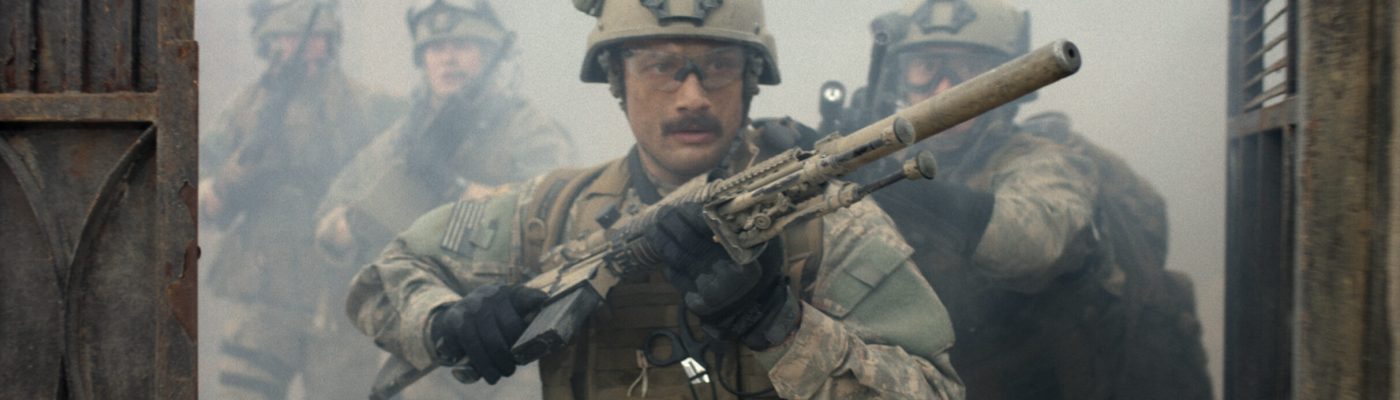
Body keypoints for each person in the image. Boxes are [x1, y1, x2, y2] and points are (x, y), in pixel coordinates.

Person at [344, 0, 967, 399]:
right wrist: (446, 323)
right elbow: (383, 279)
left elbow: (935, 391)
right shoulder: (550, 212)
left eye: (717, 67)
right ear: (617, 80)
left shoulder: (824, 220)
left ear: (751, 81)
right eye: (661, 67)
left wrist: (781, 326)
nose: (692, 96)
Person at [836, 0, 1213, 398]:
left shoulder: (1046, 159)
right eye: (925, 67)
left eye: (968, 70)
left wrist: (897, 188)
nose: (944, 89)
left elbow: (1032, 242)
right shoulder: (890, 163)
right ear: (900, 79)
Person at [309, 0, 575, 397]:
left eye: (462, 45)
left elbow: (556, 215)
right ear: (422, 60)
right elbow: (330, 220)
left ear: (488, 53)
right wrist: (360, 221)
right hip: (427, 338)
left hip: (512, 337)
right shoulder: (402, 140)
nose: (448, 58)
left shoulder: (527, 128)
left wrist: (455, 189)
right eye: (436, 48)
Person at [199, 0, 402, 398]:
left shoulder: (367, 105)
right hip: (263, 296)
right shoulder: (246, 109)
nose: (303, 48)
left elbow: (406, 178)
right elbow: (192, 191)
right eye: (288, 37)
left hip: (341, 298)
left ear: (330, 41)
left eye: (314, 38)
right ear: (268, 42)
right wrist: (230, 180)